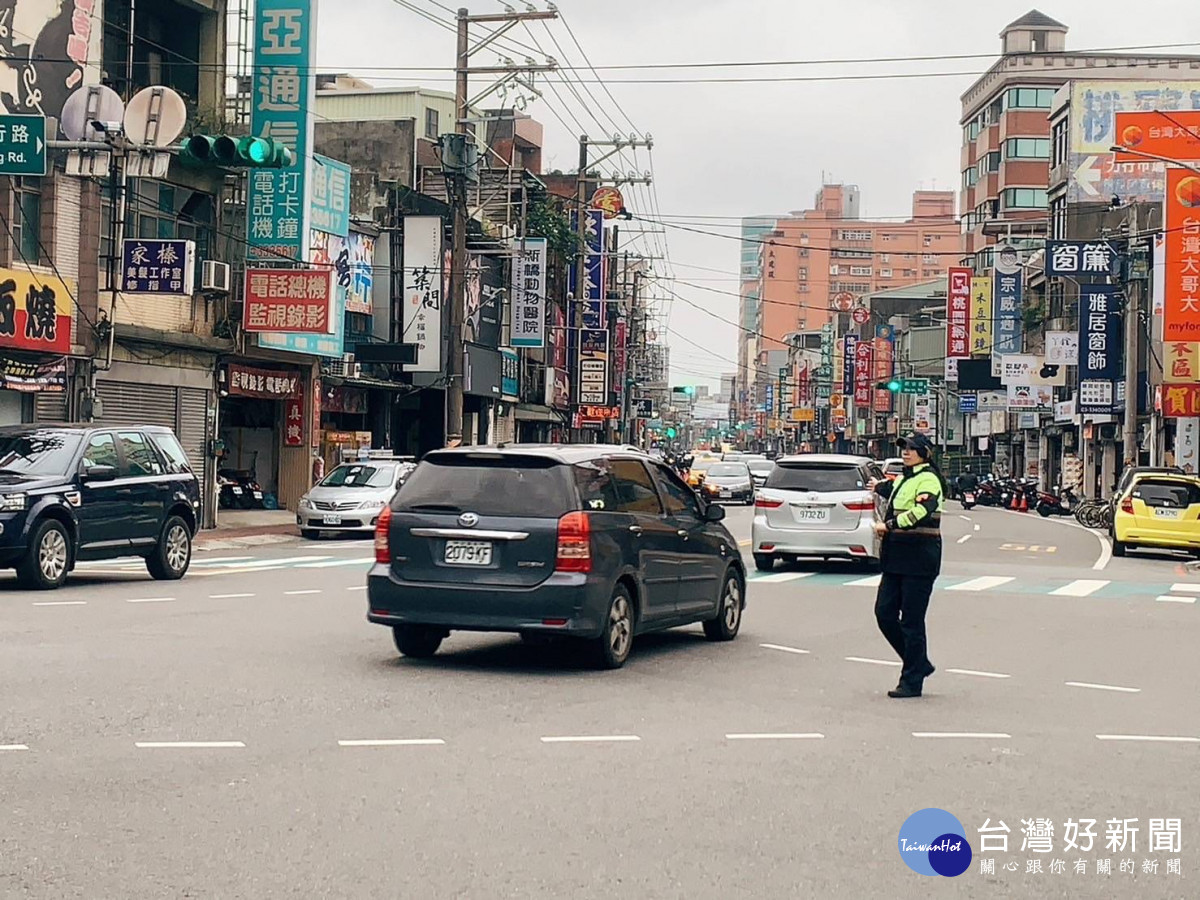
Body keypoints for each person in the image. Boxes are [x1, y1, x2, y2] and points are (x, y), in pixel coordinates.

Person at [868, 433, 947, 699]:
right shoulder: (905, 477)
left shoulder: (929, 479)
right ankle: (919, 663)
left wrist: (889, 525)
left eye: (912, 449)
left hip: (919, 559)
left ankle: (912, 680)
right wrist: (878, 486)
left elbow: (923, 510)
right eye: (904, 448)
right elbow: (893, 490)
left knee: (912, 621)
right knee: (884, 613)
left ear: (924, 453)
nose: (906, 452)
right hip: (895, 558)